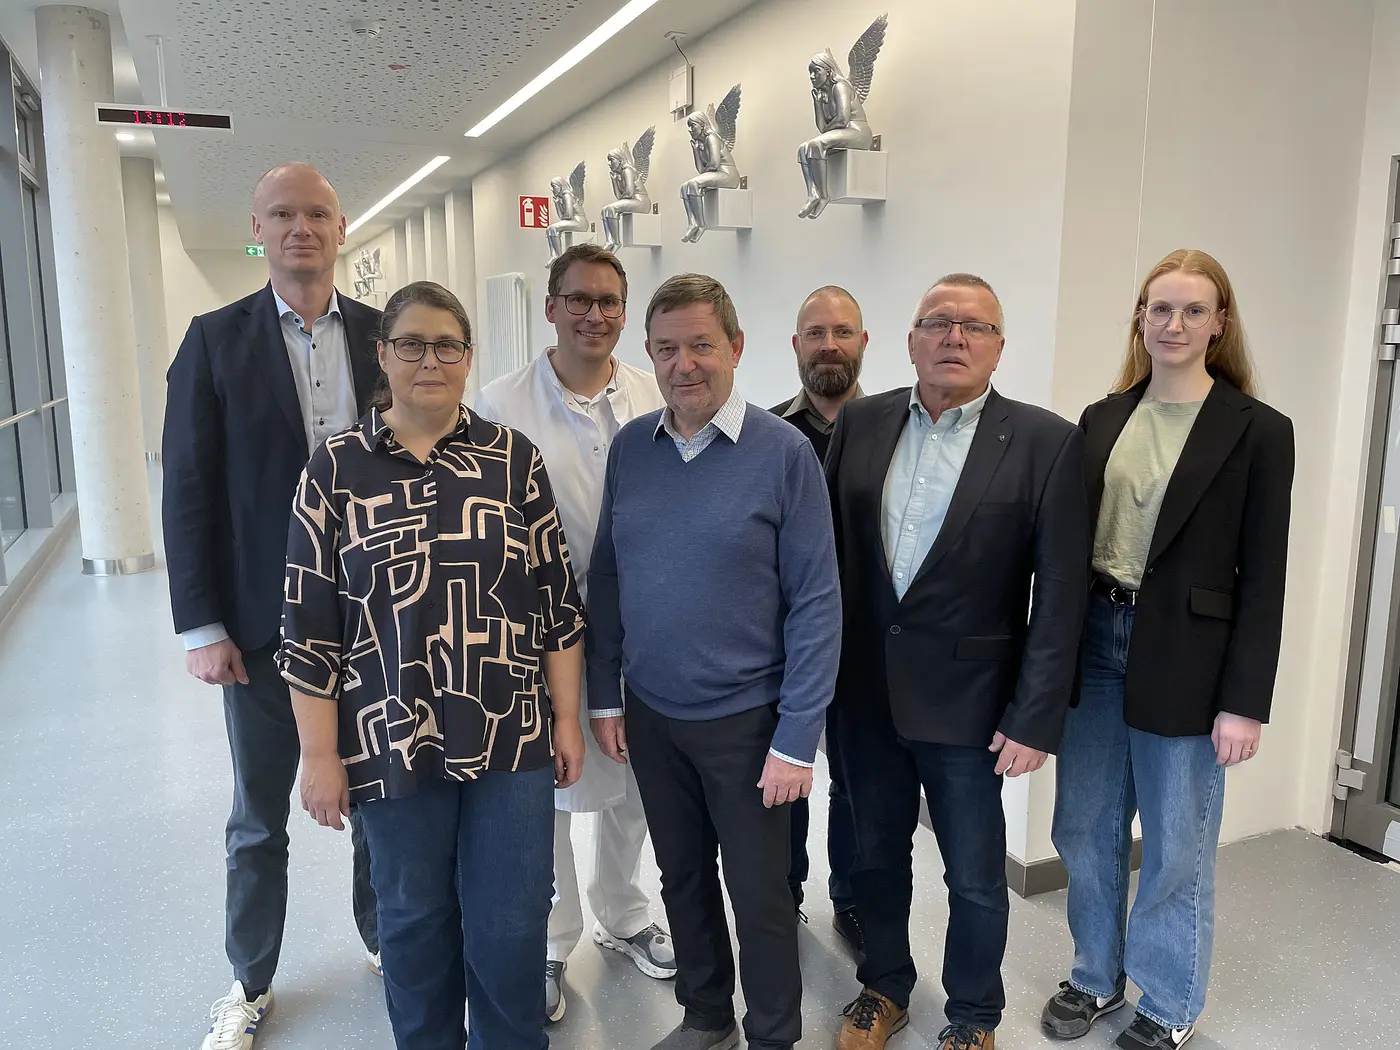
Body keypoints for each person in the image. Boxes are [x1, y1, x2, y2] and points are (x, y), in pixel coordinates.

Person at [280, 281, 586, 1050]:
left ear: (467, 357)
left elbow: (557, 605)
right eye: (410, 344)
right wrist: (319, 757)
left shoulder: (513, 460)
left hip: (510, 732)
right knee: (412, 921)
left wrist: (568, 720)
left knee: (512, 920)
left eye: (447, 344)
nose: (429, 360)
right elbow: (308, 627)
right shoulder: (336, 470)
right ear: (382, 355)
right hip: (389, 734)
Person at [825, 273, 1090, 1050]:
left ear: (1000, 348)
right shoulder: (864, 424)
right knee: (874, 857)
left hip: (973, 706)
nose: (954, 338)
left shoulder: (1046, 441)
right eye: (938, 323)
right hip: (864, 695)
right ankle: (886, 986)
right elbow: (834, 563)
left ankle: (973, 1015)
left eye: (975, 327)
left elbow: (1062, 593)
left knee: (975, 878)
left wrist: (1036, 715)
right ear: (909, 340)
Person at [1040, 250, 1294, 1050]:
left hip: (1189, 656)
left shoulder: (1258, 431)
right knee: (1084, 827)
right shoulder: (1102, 418)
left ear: (1221, 322)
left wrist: (1245, 700)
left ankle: (1169, 1001)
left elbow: (1265, 578)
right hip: (1097, 645)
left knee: (1177, 845)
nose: (1174, 324)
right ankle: (1094, 977)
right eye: (1159, 309)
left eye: (1192, 310)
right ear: (1140, 320)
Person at [586, 273, 842, 1050]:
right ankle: (705, 1017)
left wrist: (797, 736)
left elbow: (817, 602)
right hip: (655, 716)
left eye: (700, 345)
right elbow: (606, 578)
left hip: (750, 723)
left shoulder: (783, 453)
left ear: (735, 347)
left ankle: (771, 1034)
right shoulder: (633, 448)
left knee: (761, 895)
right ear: (649, 356)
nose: (683, 364)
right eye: (665, 349)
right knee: (682, 877)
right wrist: (605, 696)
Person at [162, 162, 383, 1050]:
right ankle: (250, 979)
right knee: (259, 816)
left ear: (342, 228)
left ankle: (388, 944)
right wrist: (202, 625)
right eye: (283, 214)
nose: (302, 228)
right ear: (258, 228)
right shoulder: (213, 341)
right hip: (259, 628)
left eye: (318, 214)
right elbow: (187, 490)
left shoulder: (383, 335)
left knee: (382, 798)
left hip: (377, 617)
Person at [474, 243, 675, 1024]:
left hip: (642, 625)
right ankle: (552, 941)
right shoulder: (498, 403)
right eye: (580, 299)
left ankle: (623, 915)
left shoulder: (653, 394)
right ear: (550, 307)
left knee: (635, 777)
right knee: (548, 783)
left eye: (610, 303)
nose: (595, 315)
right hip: (536, 628)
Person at [769, 285, 866, 957]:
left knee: (858, 782)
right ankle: (782, 893)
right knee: (785, 776)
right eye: (815, 332)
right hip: (784, 646)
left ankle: (853, 900)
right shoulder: (769, 434)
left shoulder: (893, 428)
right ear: (795, 345)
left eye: (842, 331)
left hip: (867, 645)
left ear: (863, 343)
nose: (828, 343)